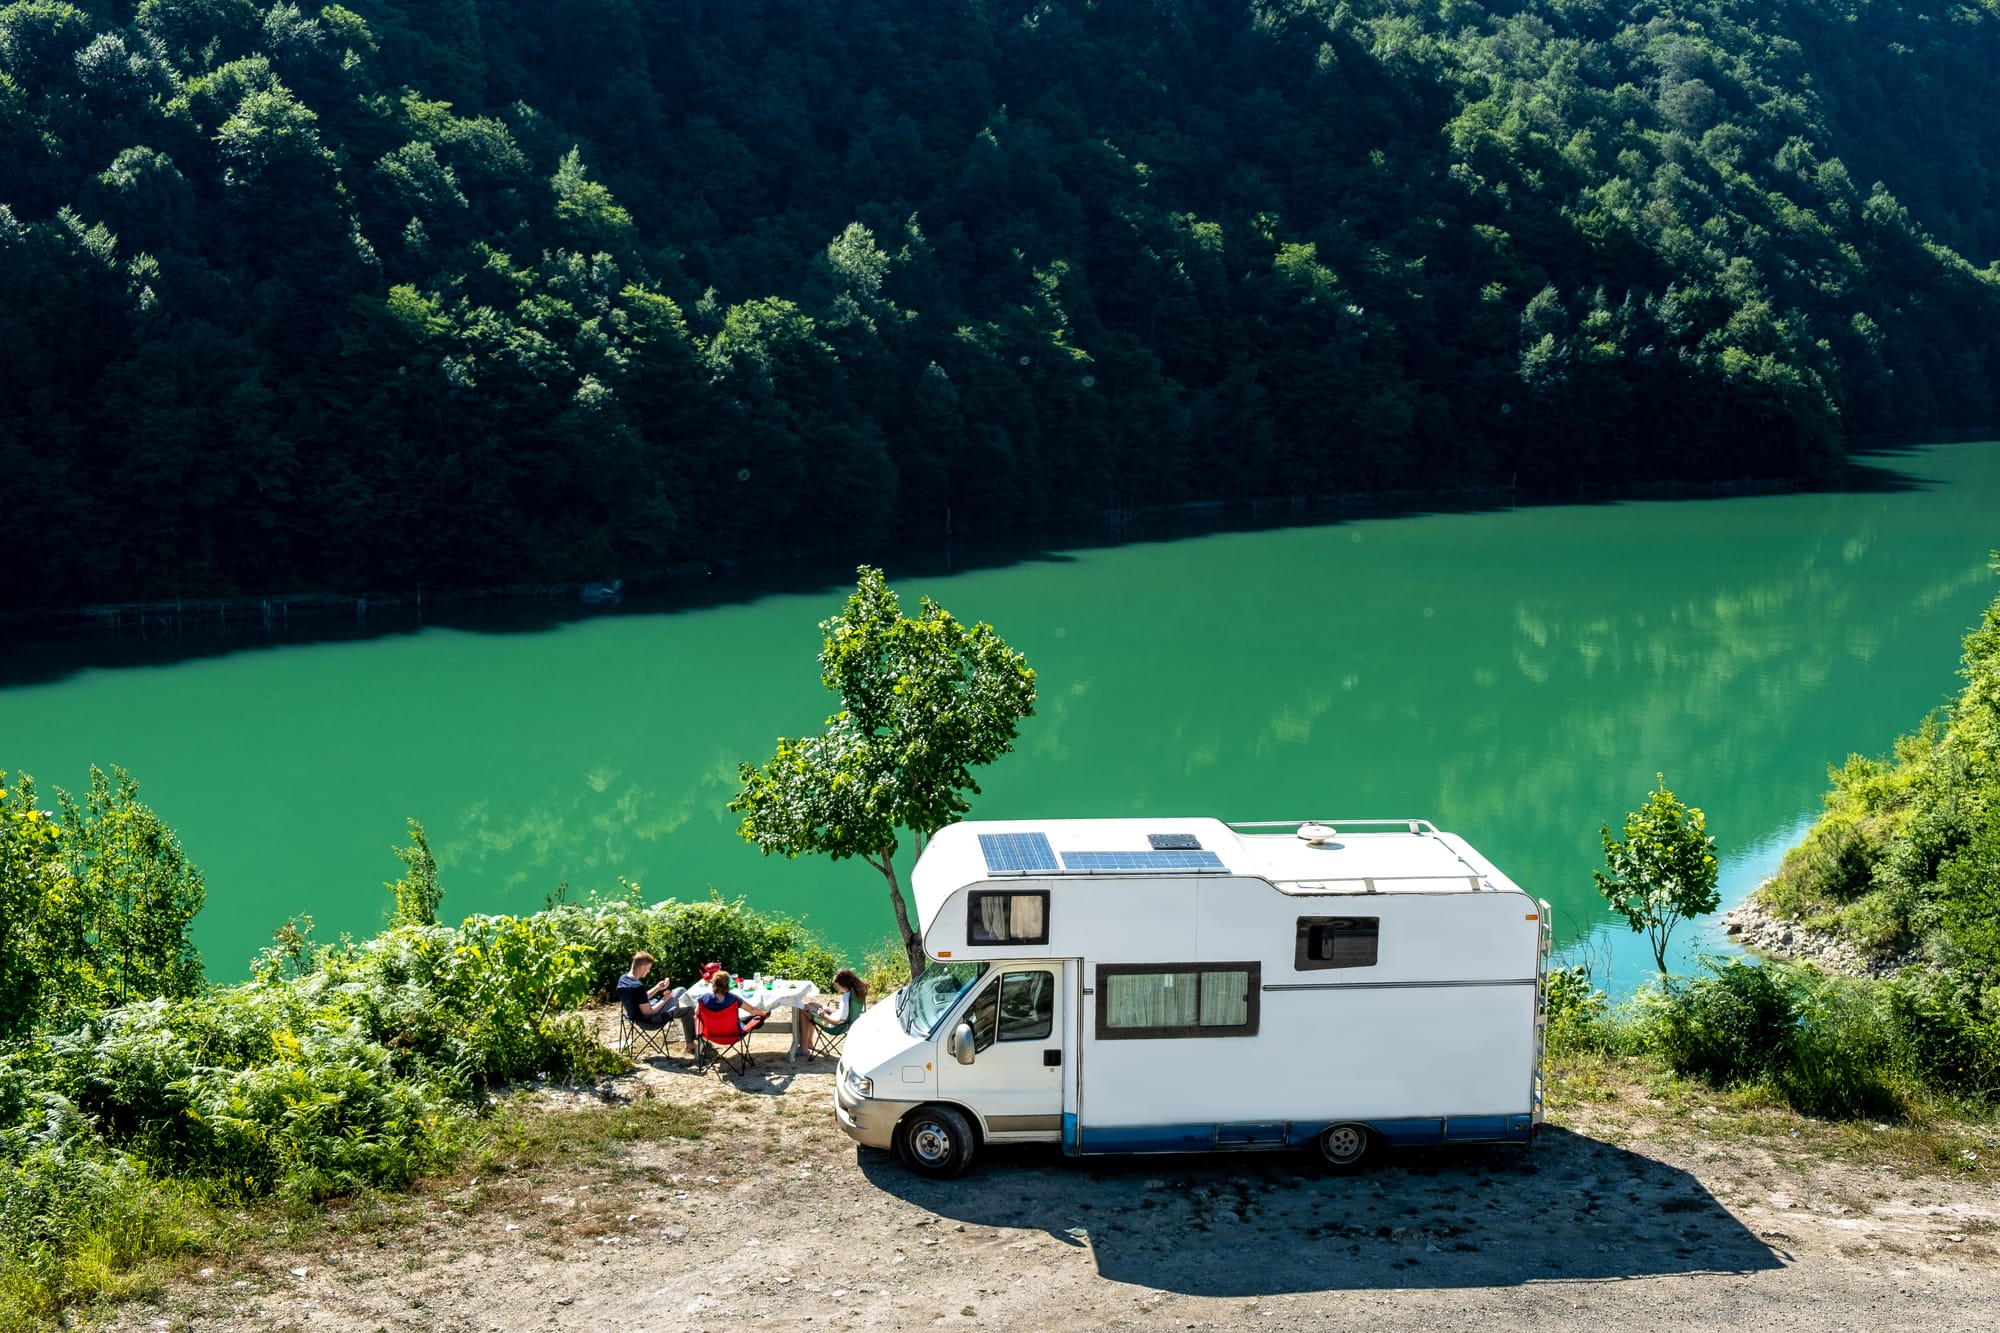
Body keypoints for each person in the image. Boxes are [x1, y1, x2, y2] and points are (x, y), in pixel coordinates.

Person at [616, 951, 696, 1050]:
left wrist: (658, 988)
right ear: (641, 967)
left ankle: (691, 1043)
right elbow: (648, 1013)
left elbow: (640, 998)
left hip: (635, 1018)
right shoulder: (638, 986)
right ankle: (693, 1040)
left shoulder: (623, 979)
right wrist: (665, 999)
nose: (648, 971)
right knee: (683, 997)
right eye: (648, 968)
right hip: (652, 1021)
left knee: (683, 998)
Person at [800, 968, 868, 1054]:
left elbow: (839, 1021)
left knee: (803, 1008)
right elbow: (845, 1013)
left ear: (843, 983)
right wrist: (830, 1011)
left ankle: (803, 1048)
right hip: (842, 1021)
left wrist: (824, 1015)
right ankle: (809, 1043)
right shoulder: (855, 993)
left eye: (837, 985)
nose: (837, 988)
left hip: (833, 1026)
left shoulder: (847, 998)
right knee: (811, 1004)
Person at [696, 970, 769, 1038]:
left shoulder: (703, 998)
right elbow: (752, 1010)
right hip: (733, 1034)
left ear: (713, 984)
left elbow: (696, 1013)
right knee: (757, 1019)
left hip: (711, 1034)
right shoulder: (733, 998)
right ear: (727, 984)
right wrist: (763, 1015)